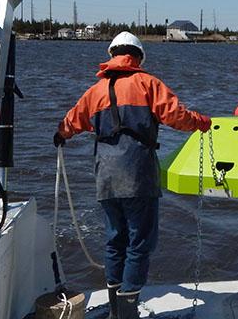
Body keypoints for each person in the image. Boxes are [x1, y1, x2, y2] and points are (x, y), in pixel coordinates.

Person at [53, 31, 211, 319]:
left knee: (115, 240)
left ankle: (116, 312)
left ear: (112, 55)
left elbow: (71, 121)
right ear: (138, 57)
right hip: (138, 176)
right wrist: (202, 122)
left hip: (106, 178)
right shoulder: (147, 83)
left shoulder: (94, 91)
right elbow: (176, 115)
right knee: (140, 243)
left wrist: (61, 134)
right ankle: (127, 314)